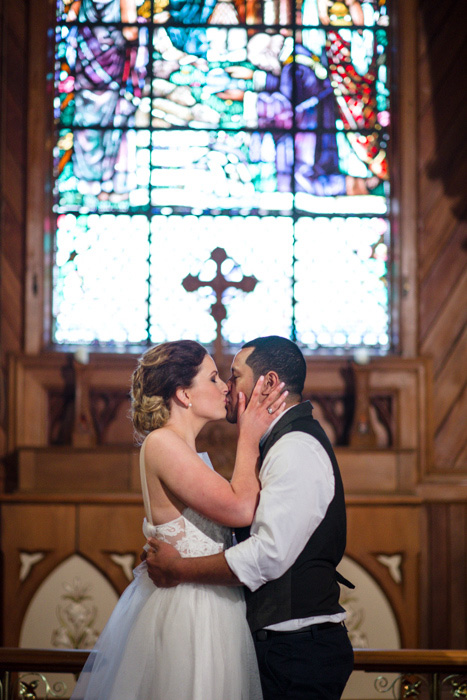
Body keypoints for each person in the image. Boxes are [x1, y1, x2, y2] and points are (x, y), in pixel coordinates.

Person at [70, 339, 287, 700]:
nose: (225, 388)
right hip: (189, 614)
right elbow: (239, 509)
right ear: (184, 394)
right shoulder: (162, 443)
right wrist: (249, 435)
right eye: (214, 378)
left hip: (214, 606)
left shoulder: (190, 453)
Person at [145, 336, 355, 700]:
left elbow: (268, 554)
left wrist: (179, 568)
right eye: (217, 378)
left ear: (269, 383)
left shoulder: (294, 447)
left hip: (298, 649)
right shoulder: (269, 445)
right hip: (257, 640)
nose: (227, 388)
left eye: (232, 376)